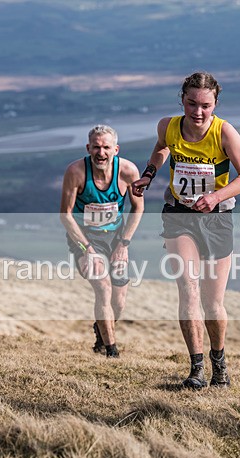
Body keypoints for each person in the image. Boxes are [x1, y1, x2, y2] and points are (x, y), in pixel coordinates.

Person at [131, 72, 240, 389]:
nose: (198, 112)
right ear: (182, 100)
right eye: (191, 104)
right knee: (188, 288)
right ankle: (196, 369)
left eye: (205, 106)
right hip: (179, 214)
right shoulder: (168, 126)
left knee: (213, 303)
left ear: (215, 104)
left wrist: (215, 197)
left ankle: (219, 363)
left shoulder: (224, 132)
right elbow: (161, 148)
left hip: (216, 219)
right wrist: (149, 174)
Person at [60, 124, 144, 358]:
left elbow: (138, 208)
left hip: (116, 237)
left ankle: (102, 331)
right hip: (85, 237)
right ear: (88, 148)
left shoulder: (128, 171)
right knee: (103, 287)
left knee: (119, 300)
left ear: (116, 149)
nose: (101, 153)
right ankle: (111, 351)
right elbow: (65, 214)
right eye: (96, 147)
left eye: (106, 147)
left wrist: (124, 244)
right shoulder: (76, 172)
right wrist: (87, 249)